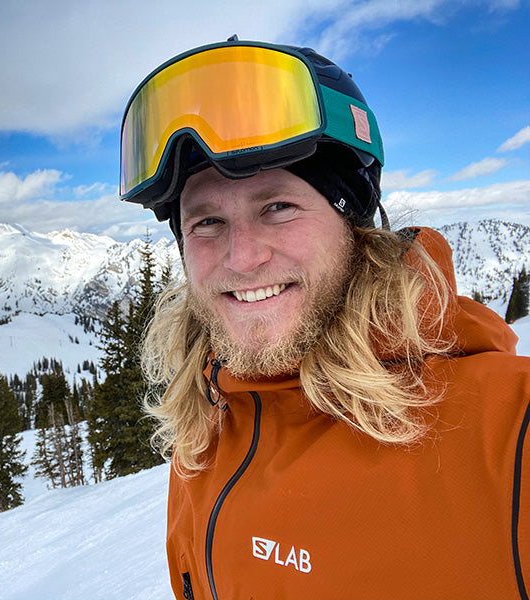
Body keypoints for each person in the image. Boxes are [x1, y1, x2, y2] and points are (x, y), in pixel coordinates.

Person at [119, 38, 530, 599]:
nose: (242, 258)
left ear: (352, 223)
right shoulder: (205, 430)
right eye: (207, 222)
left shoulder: (505, 434)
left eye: (278, 207)